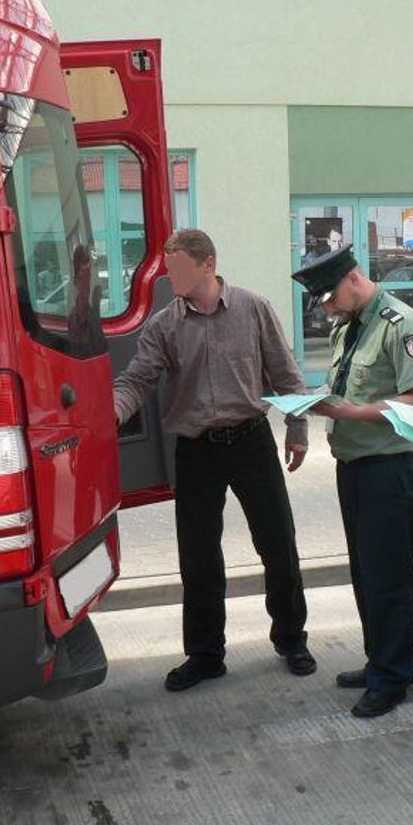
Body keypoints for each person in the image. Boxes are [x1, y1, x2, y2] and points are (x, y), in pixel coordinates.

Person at [113, 228, 317, 692]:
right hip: (196, 449)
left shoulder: (253, 307)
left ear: (208, 264)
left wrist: (299, 429)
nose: (171, 277)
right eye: (168, 269)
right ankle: (205, 655)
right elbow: (135, 381)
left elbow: (287, 375)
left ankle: (291, 638)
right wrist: (112, 410)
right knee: (199, 557)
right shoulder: (165, 324)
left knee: (278, 544)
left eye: (178, 267)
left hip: (251, 441)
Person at [291, 244, 413, 719]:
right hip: (354, 467)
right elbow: (348, 384)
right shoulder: (350, 326)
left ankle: (392, 678)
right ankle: (380, 662)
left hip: (391, 469)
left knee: (389, 578)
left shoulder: (401, 324)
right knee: (365, 574)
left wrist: (352, 412)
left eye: (330, 299)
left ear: (353, 279)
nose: (327, 309)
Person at [67, 244, 106, 357]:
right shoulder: (78, 307)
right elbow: (82, 340)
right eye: (85, 263)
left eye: (92, 263)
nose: (90, 267)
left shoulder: (93, 304)